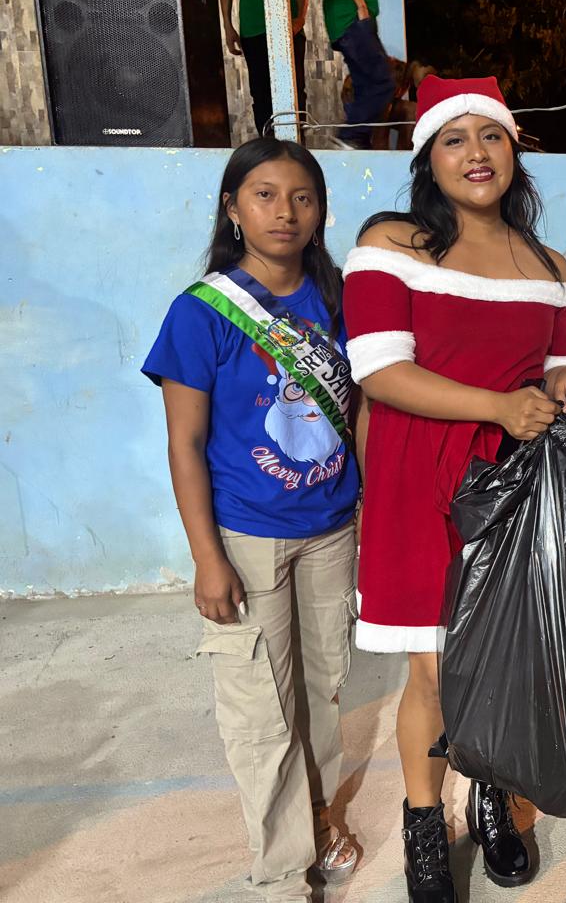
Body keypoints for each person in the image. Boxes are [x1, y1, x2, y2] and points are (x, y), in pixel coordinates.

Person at [343, 75, 566, 903]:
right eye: (454, 139)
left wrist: (565, 385)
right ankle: (425, 827)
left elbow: (557, 366)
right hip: (421, 479)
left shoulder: (550, 263)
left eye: (490, 135)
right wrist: (495, 405)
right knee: (435, 672)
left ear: (514, 149)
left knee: (507, 663)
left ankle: (492, 796)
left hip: (515, 485)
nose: (476, 153)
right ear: (429, 156)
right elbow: (379, 371)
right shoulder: (393, 243)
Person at [142, 138, 361, 901]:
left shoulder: (337, 299)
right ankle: (282, 869)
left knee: (323, 690)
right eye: (264, 195)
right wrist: (208, 558)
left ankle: (319, 817)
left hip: (332, 528)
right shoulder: (201, 312)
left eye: (302, 197)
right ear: (233, 208)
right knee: (259, 708)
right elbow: (185, 443)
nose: (284, 212)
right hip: (246, 536)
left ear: (320, 211)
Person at [216, 0, 310, 136]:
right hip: (253, 28)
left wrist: (300, 18)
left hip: (289, 29)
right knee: (261, 95)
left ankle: (296, 147)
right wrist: (227, 24)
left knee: (295, 92)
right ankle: (268, 147)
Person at [324, 0, 395, 149]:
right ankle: (350, 135)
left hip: (346, 21)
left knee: (365, 86)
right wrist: (361, 6)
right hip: (351, 19)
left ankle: (357, 143)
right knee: (382, 81)